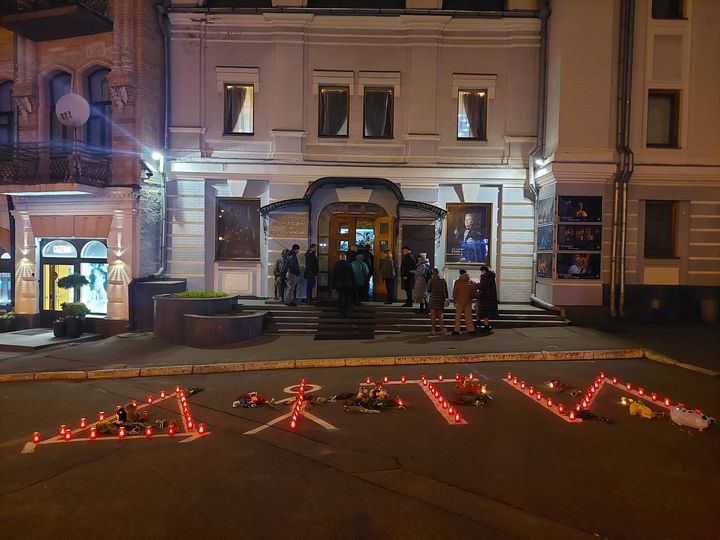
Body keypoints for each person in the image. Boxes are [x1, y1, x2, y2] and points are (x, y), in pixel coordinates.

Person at [452, 269, 475, 335]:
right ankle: (471, 329)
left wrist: (454, 300)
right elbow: (472, 291)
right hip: (468, 301)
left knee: (458, 316)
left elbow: (455, 292)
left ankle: (457, 330)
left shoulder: (458, 281)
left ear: (460, 273)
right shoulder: (470, 281)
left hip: (459, 301)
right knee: (468, 316)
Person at [476, 265, 498, 329]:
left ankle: (484, 325)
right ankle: (486, 325)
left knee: (483, 312)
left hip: (484, 298)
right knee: (487, 313)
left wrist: (476, 285)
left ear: (484, 270)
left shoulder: (484, 276)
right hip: (491, 298)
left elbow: (482, 286)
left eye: (481, 271)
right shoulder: (492, 276)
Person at [427, 268, 448, 336]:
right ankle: (442, 329)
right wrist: (446, 298)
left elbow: (429, 290)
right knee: (440, 315)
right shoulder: (443, 280)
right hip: (440, 299)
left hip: (433, 299)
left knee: (433, 316)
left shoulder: (431, 280)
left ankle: (433, 330)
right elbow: (445, 290)